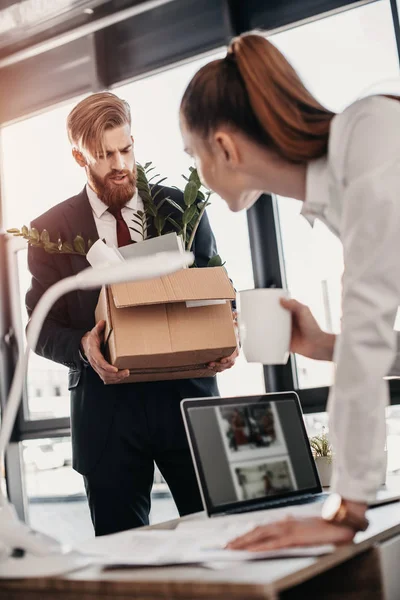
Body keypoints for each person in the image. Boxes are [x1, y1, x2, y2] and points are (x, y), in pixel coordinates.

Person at [180, 32, 400, 549]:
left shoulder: (368, 137)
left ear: (225, 147)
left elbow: (367, 330)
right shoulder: (343, 189)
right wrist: (325, 347)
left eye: (193, 155)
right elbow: (363, 339)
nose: (198, 173)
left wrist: (345, 510)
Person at [26, 91, 238, 536]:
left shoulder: (183, 206)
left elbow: (217, 288)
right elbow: (39, 326)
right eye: (104, 155)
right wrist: (83, 347)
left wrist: (225, 331)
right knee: (121, 557)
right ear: (78, 157)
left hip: (188, 400)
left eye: (126, 148)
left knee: (222, 540)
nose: (120, 163)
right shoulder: (51, 230)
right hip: (107, 416)